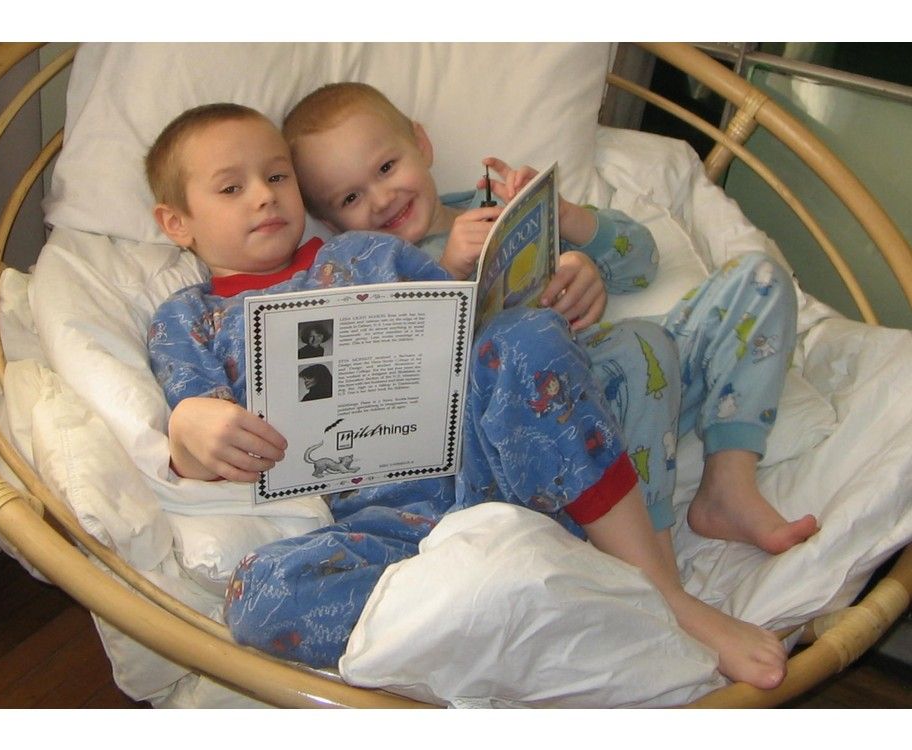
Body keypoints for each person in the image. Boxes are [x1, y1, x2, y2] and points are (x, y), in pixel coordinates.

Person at [144, 102, 788, 689]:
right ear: (176, 222)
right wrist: (192, 429)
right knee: (260, 598)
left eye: (278, 177)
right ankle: (526, 607)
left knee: (525, 334)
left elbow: (469, 321)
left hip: (491, 461)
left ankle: (660, 595)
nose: (263, 197)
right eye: (232, 188)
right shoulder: (188, 319)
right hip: (389, 525)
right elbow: (194, 428)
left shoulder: (364, 252)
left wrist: (555, 273)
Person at [283, 81, 819, 558]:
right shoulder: (367, 269)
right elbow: (395, 385)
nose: (381, 198)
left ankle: (728, 483)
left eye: (386, 167)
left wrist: (578, 242)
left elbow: (642, 262)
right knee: (641, 343)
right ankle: (648, 553)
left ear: (421, 145)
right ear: (331, 222)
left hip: (634, 389)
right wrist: (447, 270)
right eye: (351, 197)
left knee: (759, 278)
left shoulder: (502, 206)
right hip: (546, 435)